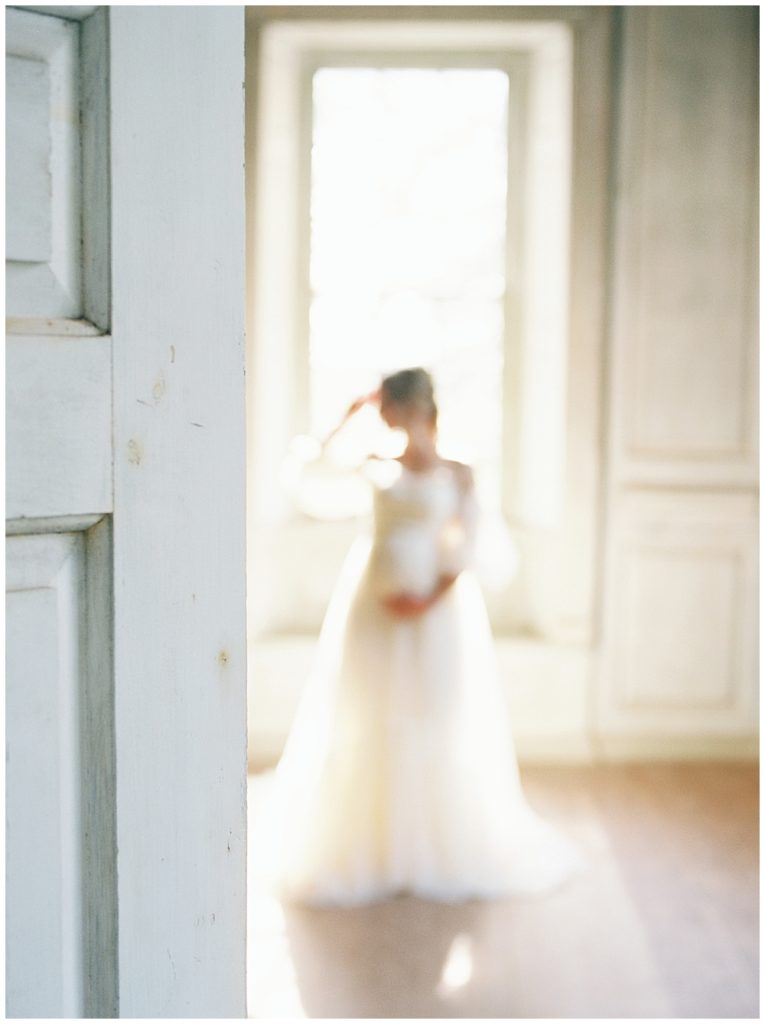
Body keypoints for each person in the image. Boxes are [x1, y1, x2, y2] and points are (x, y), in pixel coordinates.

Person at [260, 367, 583, 906]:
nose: (387, 419)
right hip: (371, 610)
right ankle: (370, 847)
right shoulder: (374, 464)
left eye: (392, 408)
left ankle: (428, 849)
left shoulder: (458, 472)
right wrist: (347, 417)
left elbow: (469, 541)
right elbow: (310, 474)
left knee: (433, 715)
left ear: (416, 409)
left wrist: (429, 596)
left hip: (436, 614)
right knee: (366, 713)